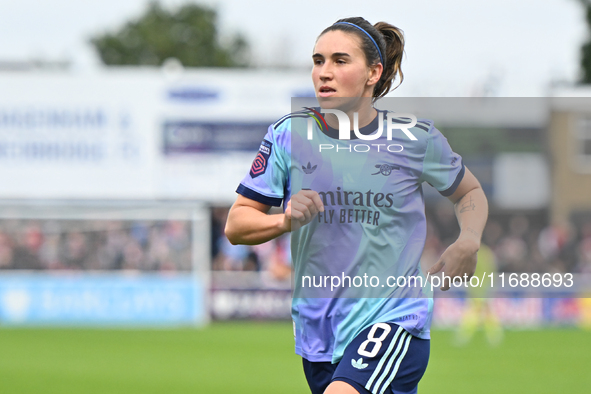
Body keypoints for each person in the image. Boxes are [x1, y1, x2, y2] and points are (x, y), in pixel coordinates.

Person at [225, 17, 488, 394]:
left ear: (373, 72)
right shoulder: (288, 136)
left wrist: (469, 240)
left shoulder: (415, 139)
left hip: (393, 318)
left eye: (339, 61)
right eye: (318, 61)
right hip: (320, 332)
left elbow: (470, 192)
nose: (324, 72)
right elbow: (237, 225)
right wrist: (284, 221)